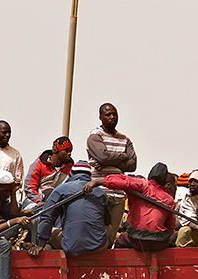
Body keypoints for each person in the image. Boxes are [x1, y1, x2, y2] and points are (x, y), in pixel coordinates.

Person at [82, 162, 176, 252]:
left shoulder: (143, 185)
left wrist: (98, 182)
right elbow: (171, 227)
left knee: (121, 239)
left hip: (136, 239)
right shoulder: (169, 199)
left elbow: (123, 181)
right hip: (159, 242)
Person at [29, 161, 110, 257]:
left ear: (71, 174)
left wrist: (40, 243)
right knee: (108, 227)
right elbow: (108, 221)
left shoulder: (61, 189)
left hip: (71, 247)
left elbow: (47, 217)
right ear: (89, 176)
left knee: (51, 232)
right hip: (99, 246)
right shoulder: (101, 193)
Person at [87, 103, 137, 242]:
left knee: (111, 234)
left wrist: (107, 160)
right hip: (100, 192)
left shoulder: (125, 139)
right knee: (98, 232)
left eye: (114, 114)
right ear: (101, 117)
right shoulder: (95, 136)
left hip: (119, 193)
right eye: (108, 114)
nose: (112, 117)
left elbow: (132, 165)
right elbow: (101, 156)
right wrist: (122, 158)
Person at [23, 136, 74, 212]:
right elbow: (29, 187)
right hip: (34, 201)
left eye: (70, 151)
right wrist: (38, 200)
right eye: (66, 150)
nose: (69, 153)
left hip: (56, 203)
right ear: (56, 150)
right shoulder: (39, 164)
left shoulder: (70, 166)